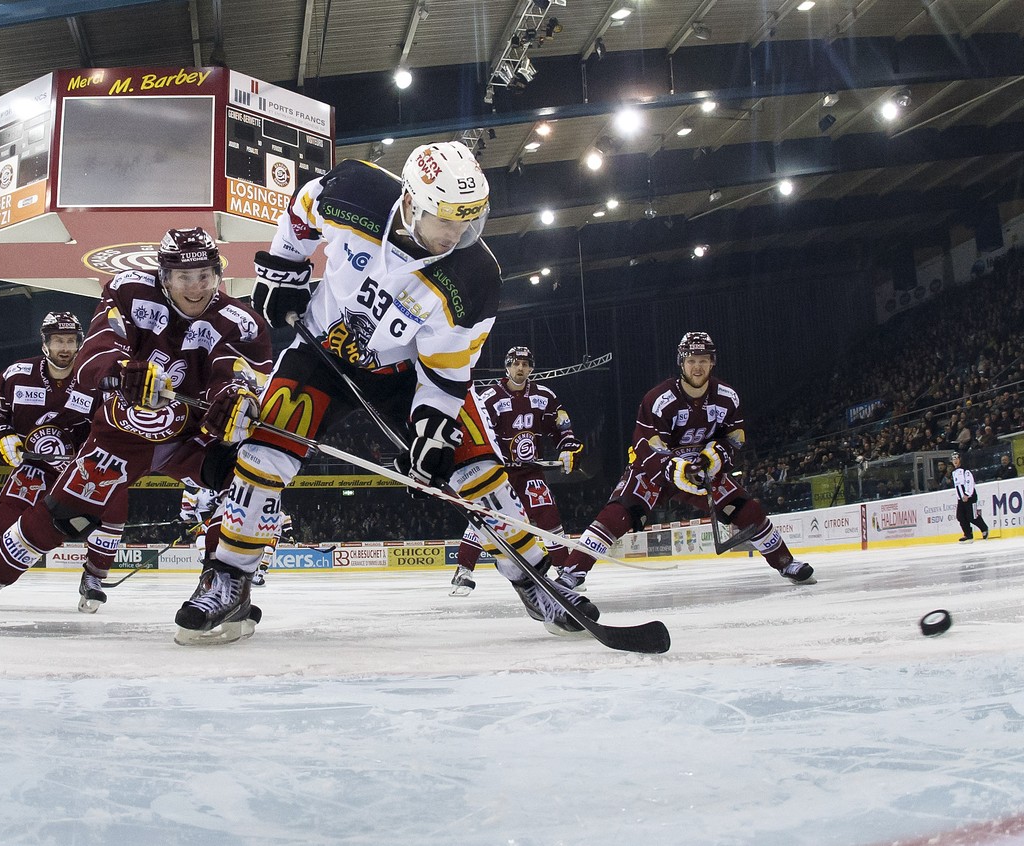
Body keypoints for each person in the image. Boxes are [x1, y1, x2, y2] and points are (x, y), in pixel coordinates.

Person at [203, 141, 596, 642]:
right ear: (410, 202)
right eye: (446, 220)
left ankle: (539, 580)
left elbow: (446, 369)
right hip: (323, 349)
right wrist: (287, 269)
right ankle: (229, 579)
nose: (457, 235)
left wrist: (432, 429)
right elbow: (302, 209)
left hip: (408, 372)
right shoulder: (355, 190)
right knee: (263, 454)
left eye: (468, 221)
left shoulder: (475, 275)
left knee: (478, 472)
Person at [0, 228, 273, 627]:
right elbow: (94, 355)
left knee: (251, 474)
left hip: (193, 436)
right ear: (164, 276)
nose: (195, 287)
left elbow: (240, 376)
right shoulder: (129, 290)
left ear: (219, 275)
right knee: (66, 515)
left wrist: (236, 399)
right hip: (121, 432)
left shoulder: (243, 321)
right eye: (184, 277)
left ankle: (224, 587)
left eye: (205, 275)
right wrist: (122, 371)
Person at [561, 332, 816, 586]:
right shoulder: (659, 399)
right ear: (681, 362)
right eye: (692, 360)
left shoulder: (727, 397)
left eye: (704, 360)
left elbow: (735, 438)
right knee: (617, 515)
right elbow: (645, 445)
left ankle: (786, 563)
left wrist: (718, 456)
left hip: (699, 472)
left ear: (712, 362)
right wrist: (672, 468)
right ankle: (571, 573)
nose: (698, 366)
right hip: (653, 472)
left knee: (748, 510)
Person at [0, 311, 117, 613]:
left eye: (71, 341)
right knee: (1, 521)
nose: (65, 347)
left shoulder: (95, 378)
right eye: (58, 340)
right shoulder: (17, 373)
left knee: (111, 511)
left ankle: (94, 578)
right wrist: (1, 434)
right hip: (33, 465)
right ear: (45, 343)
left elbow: (113, 419)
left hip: (77, 468)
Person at [449, 345, 585, 595]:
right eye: (515, 363)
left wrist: (568, 447)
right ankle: (464, 569)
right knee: (485, 517)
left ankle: (565, 571)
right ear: (507, 366)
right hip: (498, 473)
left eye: (525, 363)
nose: (520, 368)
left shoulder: (545, 396)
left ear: (531, 367)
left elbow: (561, 427)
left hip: (530, 472)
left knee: (548, 516)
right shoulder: (489, 397)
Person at [952, 450, 989, 542]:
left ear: (960, 459)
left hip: (969, 497)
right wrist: (959, 497)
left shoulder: (966, 471)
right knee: (960, 517)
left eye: (956, 458)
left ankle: (984, 528)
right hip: (960, 499)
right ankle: (968, 534)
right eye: (953, 459)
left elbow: (970, 483)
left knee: (972, 516)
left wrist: (967, 494)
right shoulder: (954, 473)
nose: (955, 461)